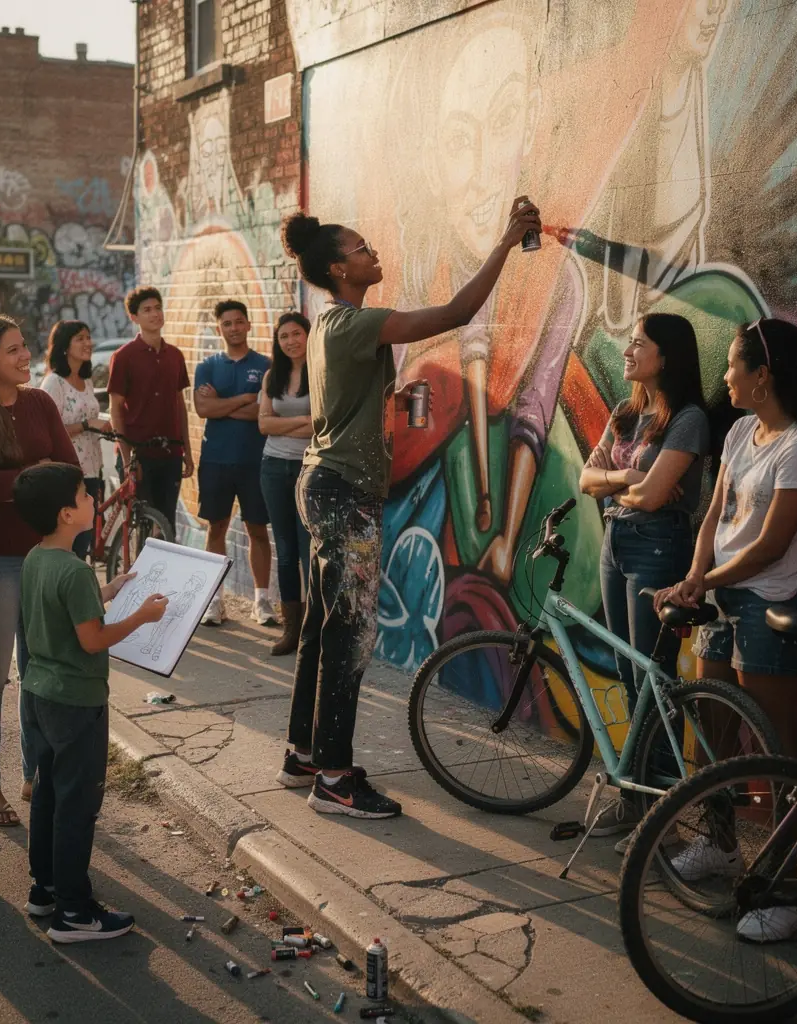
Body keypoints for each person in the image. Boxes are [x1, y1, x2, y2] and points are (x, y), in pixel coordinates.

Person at [274, 197, 541, 818]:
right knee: (351, 635)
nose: (373, 253)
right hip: (343, 495)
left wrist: (389, 409)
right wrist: (505, 242)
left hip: (325, 482)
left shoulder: (327, 324)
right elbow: (458, 311)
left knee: (323, 627)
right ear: (340, 270)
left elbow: (343, 408)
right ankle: (335, 781)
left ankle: (304, 754)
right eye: (362, 248)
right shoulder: (353, 323)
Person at [654, 321, 797, 931]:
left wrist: (703, 582)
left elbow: (771, 546)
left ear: (763, 375)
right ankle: (722, 845)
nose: (723, 376)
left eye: (733, 365)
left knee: (776, 751)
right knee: (713, 734)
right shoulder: (738, 432)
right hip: (722, 595)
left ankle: (785, 893)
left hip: (769, 602)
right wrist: (697, 574)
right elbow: (715, 516)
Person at [13, 462, 169, 942]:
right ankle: (76, 914)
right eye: (84, 495)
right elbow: (91, 638)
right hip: (76, 704)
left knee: (47, 793)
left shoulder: (37, 559)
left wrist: (111, 588)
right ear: (65, 514)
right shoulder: (75, 570)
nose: (91, 501)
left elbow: (68, 610)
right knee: (76, 807)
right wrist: (142, 616)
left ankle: (45, 889)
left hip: (38, 695)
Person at [578, 312, 710, 839]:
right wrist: (627, 476)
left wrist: (622, 485)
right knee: (628, 671)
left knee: (655, 681)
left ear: (666, 355)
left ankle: (664, 817)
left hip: (659, 549)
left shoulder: (689, 418)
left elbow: (657, 498)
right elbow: (585, 478)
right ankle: (639, 800)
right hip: (617, 542)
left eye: (638, 343)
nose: (628, 351)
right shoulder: (625, 413)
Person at [0, 315, 79, 826]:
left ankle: (35, 774)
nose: (26, 356)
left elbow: (70, 469)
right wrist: (39, 476)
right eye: (12, 350)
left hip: (45, 557)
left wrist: (29, 478)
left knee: (40, 673)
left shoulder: (40, 403)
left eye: (25, 346)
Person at [193, 299, 275, 627]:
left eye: (239, 321)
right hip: (215, 459)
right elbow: (202, 410)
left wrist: (222, 404)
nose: (234, 328)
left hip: (255, 460)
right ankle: (214, 601)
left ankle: (262, 601)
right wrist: (244, 399)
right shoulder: (208, 366)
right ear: (219, 329)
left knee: (257, 529)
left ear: (248, 324)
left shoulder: (267, 365)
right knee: (216, 528)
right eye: (227, 323)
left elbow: (264, 411)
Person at [107, 287, 194, 535]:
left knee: (168, 525)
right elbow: (116, 409)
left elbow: (180, 406)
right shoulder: (123, 356)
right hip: (137, 454)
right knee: (145, 526)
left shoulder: (175, 356)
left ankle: (165, 574)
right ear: (134, 318)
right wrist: (126, 460)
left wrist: (187, 450)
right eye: (147, 310)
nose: (155, 314)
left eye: (158, 308)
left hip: (170, 451)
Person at [258, 312, 313, 656]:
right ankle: (291, 628)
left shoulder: (322, 373)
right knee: (286, 550)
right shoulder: (271, 376)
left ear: (309, 336)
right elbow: (263, 425)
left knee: (309, 551)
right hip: (273, 468)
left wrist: (285, 423)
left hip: (310, 468)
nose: (291, 341)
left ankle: (314, 630)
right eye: (284, 337)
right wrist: (302, 420)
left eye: (296, 334)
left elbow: (322, 425)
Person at [40, 320, 111, 560]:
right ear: (64, 346)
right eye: (80, 338)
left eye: (88, 337)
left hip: (93, 469)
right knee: (74, 546)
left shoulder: (87, 380)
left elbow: (90, 417)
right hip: (68, 473)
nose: (87, 343)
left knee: (87, 541)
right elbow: (48, 429)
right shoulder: (53, 383)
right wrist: (87, 425)